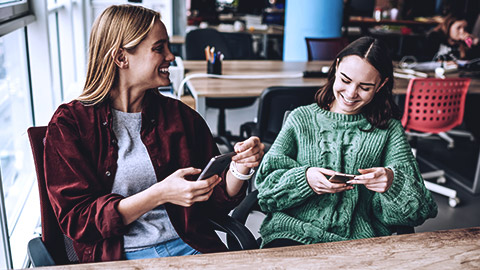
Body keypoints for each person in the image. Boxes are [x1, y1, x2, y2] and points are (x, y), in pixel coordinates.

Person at [43, 4, 264, 263]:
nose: (171, 56)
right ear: (121, 57)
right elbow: (78, 220)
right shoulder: (70, 125)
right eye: (159, 48)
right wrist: (159, 194)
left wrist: (239, 170)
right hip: (122, 257)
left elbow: (212, 202)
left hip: (191, 246)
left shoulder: (180, 117)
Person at [254, 36, 438, 249]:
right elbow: (265, 194)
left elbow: (420, 211)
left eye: (365, 87)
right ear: (336, 67)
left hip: (360, 241)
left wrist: (392, 184)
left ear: (381, 85)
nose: (351, 94)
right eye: (345, 80)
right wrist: (304, 180)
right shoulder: (300, 119)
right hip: (291, 234)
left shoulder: (389, 130)